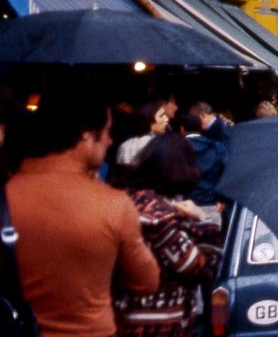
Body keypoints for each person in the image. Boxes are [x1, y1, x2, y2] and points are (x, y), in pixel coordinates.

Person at [5, 90, 160, 336]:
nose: (110, 141)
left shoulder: (7, 196)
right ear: (87, 135)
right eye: (107, 132)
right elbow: (146, 282)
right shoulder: (112, 204)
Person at [114, 133, 223, 336]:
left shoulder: (132, 203)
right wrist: (204, 220)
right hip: (158, 323)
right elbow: (200, 268)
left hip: (126, 316)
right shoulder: (159, 219)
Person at [116, 99, 171, 168]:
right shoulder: (162, 146)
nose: (166, 119)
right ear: (150, 119)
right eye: (161, 115)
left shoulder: (124, 146)